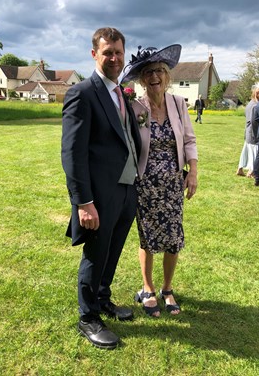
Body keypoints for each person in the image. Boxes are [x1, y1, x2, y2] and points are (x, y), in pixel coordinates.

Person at [61, 27, 141, 349]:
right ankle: (87, 316)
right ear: (94, 54)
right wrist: (83, 203)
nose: (114, 58)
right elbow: (72, 153)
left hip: (126, 190)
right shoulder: (82, 93)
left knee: (113, 249)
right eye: (108, 52)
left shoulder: (121, 93)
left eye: (119, 52)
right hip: (98, 195)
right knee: (95, 254)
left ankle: (103, 298)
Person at [121, 45, 198, 317]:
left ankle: (167, 289)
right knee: (148, 237)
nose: (155, 76)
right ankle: (147, 288)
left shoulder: (178, 104)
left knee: (173, 237)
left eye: (160, 71)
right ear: (142, 79)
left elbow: (189, 139)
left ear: (167, 76)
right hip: (145, 184)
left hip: (174, 182)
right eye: (149, 72)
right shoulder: (135, 106)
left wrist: (194, 173)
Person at [236, 84, 259, 178]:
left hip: (249, 132)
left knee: (246, 151)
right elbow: (253, 121)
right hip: (253, 133)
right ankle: (251, 171)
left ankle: (240, 169)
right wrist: (258, 134)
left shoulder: (251, 103)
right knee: (255, 152)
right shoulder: (255, 105)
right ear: (256, 94)